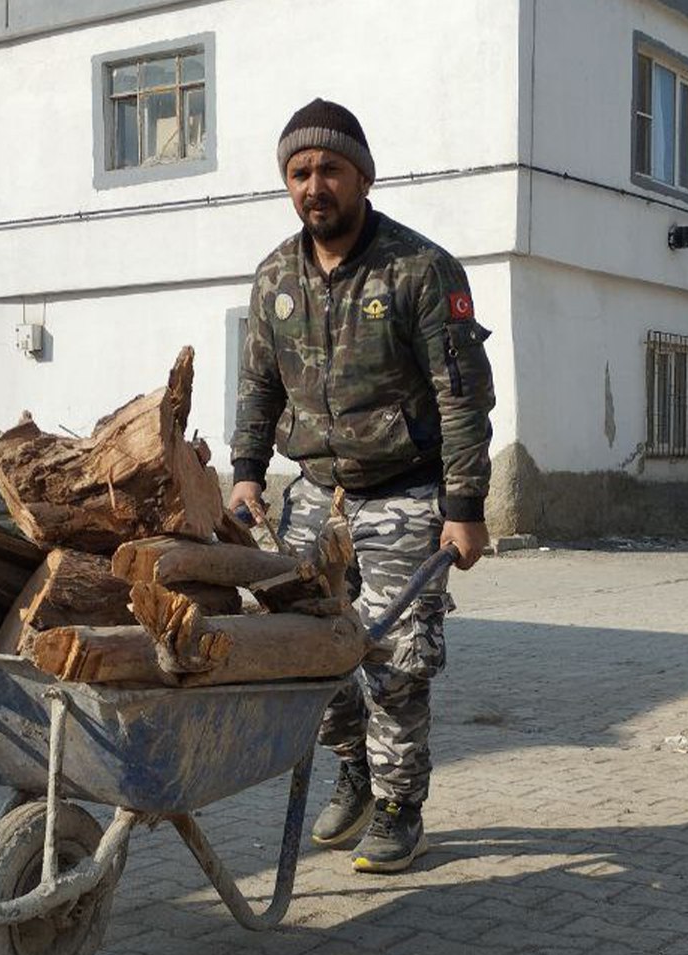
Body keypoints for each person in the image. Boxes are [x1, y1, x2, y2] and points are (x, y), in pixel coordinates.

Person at [230, 99, 496, 874]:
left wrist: (465, 508)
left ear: (363, 176)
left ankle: (398, 805)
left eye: (330, 169)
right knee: (308, 652)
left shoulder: (420, 269)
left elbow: (462, 396)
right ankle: (353, 769)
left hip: (406, 494)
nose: (315, 185)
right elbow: (257, 387)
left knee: (394, 662)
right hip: (314, 496)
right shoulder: (275, 276)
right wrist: (247, 473)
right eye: (299, 171)